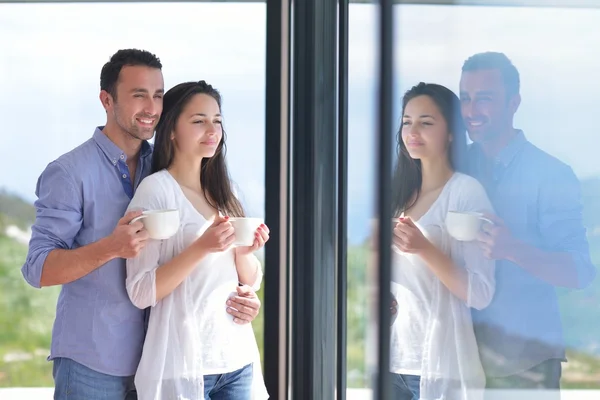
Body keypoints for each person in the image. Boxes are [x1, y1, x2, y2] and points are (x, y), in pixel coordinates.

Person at [21, 49, 261, 400]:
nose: (151, 108)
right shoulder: (70, 173)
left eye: (158, 95)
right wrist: (111, 247)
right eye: (138, 95)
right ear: (107, 100)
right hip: (95, 357)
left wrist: (244, 293)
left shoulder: (164, 169)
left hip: (161, 357)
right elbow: (37, 269)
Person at [460, 51, 596, 394]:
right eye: (465, 99)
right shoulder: (454, 167)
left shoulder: (552, 175)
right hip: (457, 360)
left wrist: (513, 249)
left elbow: (579, 272)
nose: (471, 111)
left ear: (514, 103)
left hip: (524, 367)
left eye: (485, 99)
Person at [125, 80, 269, 400]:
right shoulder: (156, 191)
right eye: (199, 120)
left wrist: (244, 252)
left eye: (217, 120)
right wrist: (202, 247)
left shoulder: (223, 192)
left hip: (237, 358)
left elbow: (250, 279)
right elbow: (141, 291)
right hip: (185, 365)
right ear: (172, 131)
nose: (212, 129)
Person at [388, 82, 495, 400]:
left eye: (426, 122)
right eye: (407, 121)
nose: (412, 130)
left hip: (440, 366)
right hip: (392, 361)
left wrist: (423, 248)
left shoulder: (465, 192)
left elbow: (480, 293)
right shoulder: (398, 195)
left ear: (451, 132)